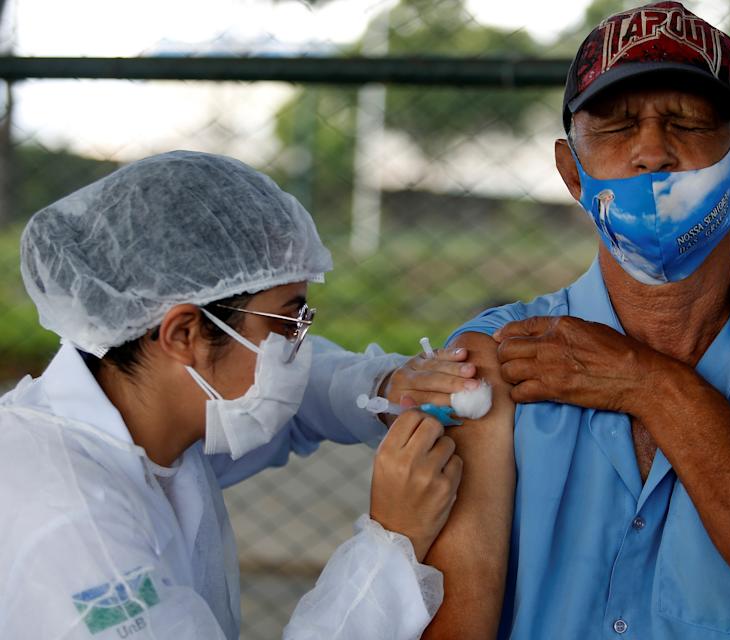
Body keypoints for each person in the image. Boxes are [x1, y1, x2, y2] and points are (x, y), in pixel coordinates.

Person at [420, 3, 730, 639]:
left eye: (686, 121)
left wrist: (649, 385)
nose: (652, 151)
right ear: (572, 171)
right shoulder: (498, 355)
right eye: (617, 126)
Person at [0, 150, 476, 640]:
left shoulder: (144, 420)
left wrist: (381, 388)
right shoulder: (77, 530)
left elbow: (297, 395)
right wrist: (391, 545)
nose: (299, 345)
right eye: (290, 321)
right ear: (183, 333)